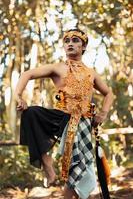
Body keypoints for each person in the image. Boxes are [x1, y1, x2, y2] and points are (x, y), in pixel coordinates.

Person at [15, 29, 113, 199]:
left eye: (75, 40)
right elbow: (27, 74)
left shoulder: (91, 72)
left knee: (81, 169)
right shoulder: (58, 67)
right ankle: (47, 163)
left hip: (82, 123)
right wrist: (18, 96)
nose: (70, 43)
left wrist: (103, 113)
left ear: (83, 46)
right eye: (66, 40)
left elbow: (110, 94)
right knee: (30, 113)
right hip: (61, 118)